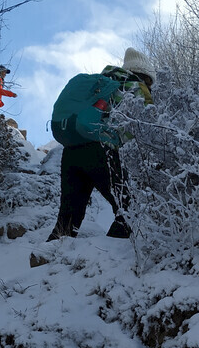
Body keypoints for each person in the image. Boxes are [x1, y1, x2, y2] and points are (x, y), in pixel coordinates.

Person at [47, 47, 156, 241]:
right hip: (100, 150)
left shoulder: (102, 82)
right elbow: (144, 128)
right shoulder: (136, 87)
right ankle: (110, 256)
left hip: (72, 149)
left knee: (68, 216)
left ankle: (47, 258)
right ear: (146, 76)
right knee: (128, 209)